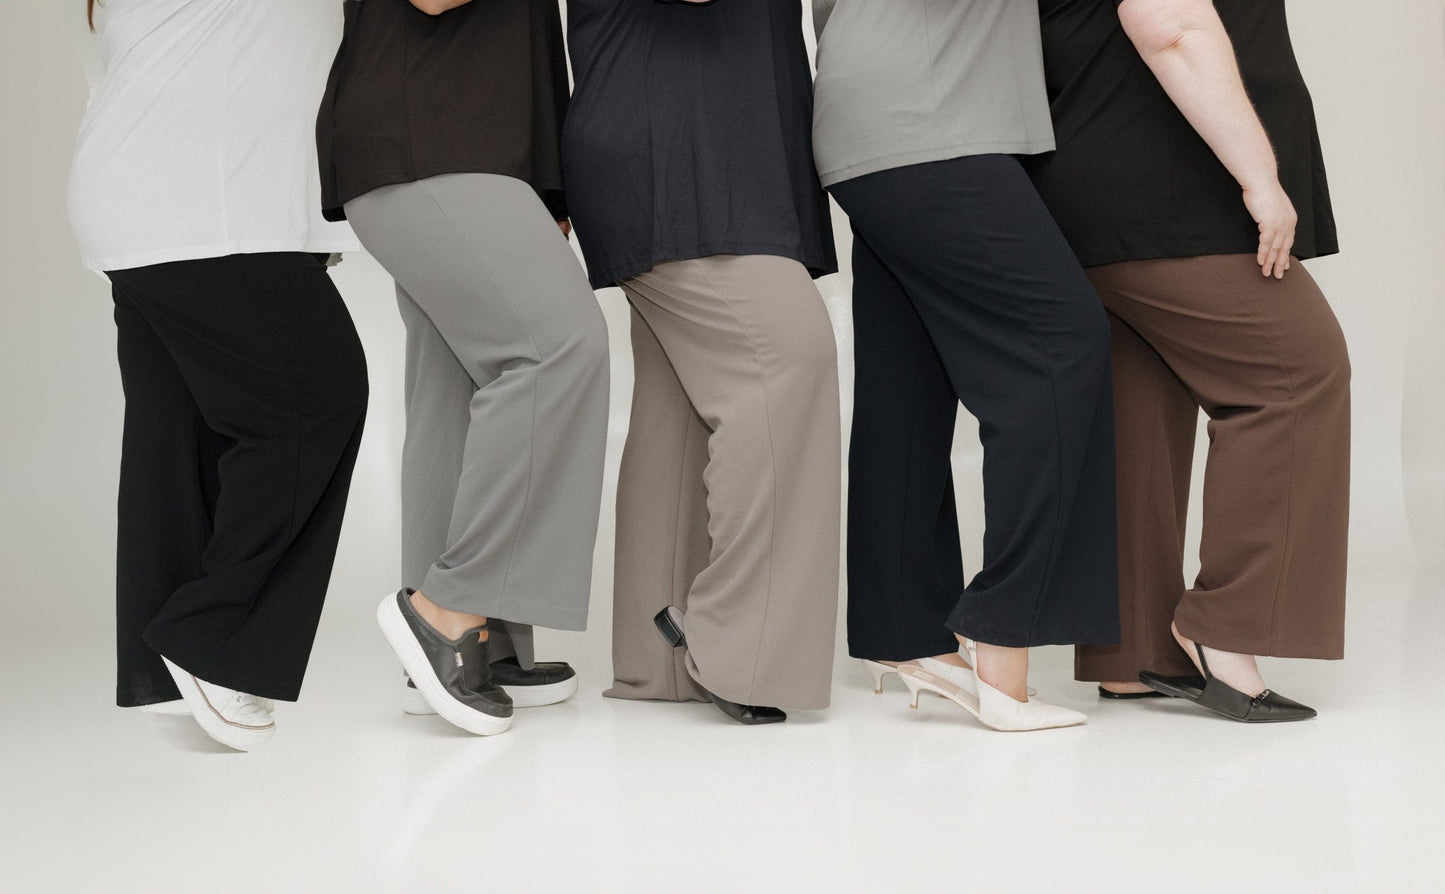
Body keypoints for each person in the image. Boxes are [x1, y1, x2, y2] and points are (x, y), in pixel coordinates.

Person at [1028, 0, 1350, 722]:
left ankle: (1132, 651)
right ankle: (1223, 629)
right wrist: (1260, 177)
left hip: (1091, 177)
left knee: (1140, 407)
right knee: (1296, 377)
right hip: (1167, 180)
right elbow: (1168, 22)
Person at [69, 0, 369, 751]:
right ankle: (212, 642)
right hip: (207, 200)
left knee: (179, 433)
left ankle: (170, 661)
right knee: (313, 405)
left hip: (140, 197)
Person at [813, 0, 1120, 731]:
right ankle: (1002, 637)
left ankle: (905, 629)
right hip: (936, 113)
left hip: (868, 116)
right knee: (1061, 344)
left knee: (907, 377)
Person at [317, 0, 609, 737]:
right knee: (557, 349)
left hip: (463, 141)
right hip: (432, 134)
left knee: (456, 386)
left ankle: (477, 639)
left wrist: (545, 185)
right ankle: (448, 609)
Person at [563, 0, 841, 724]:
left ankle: (659, 661)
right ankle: (740, 652)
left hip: (705, 140)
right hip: (682, 145)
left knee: (679, 412)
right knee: (788, 360)